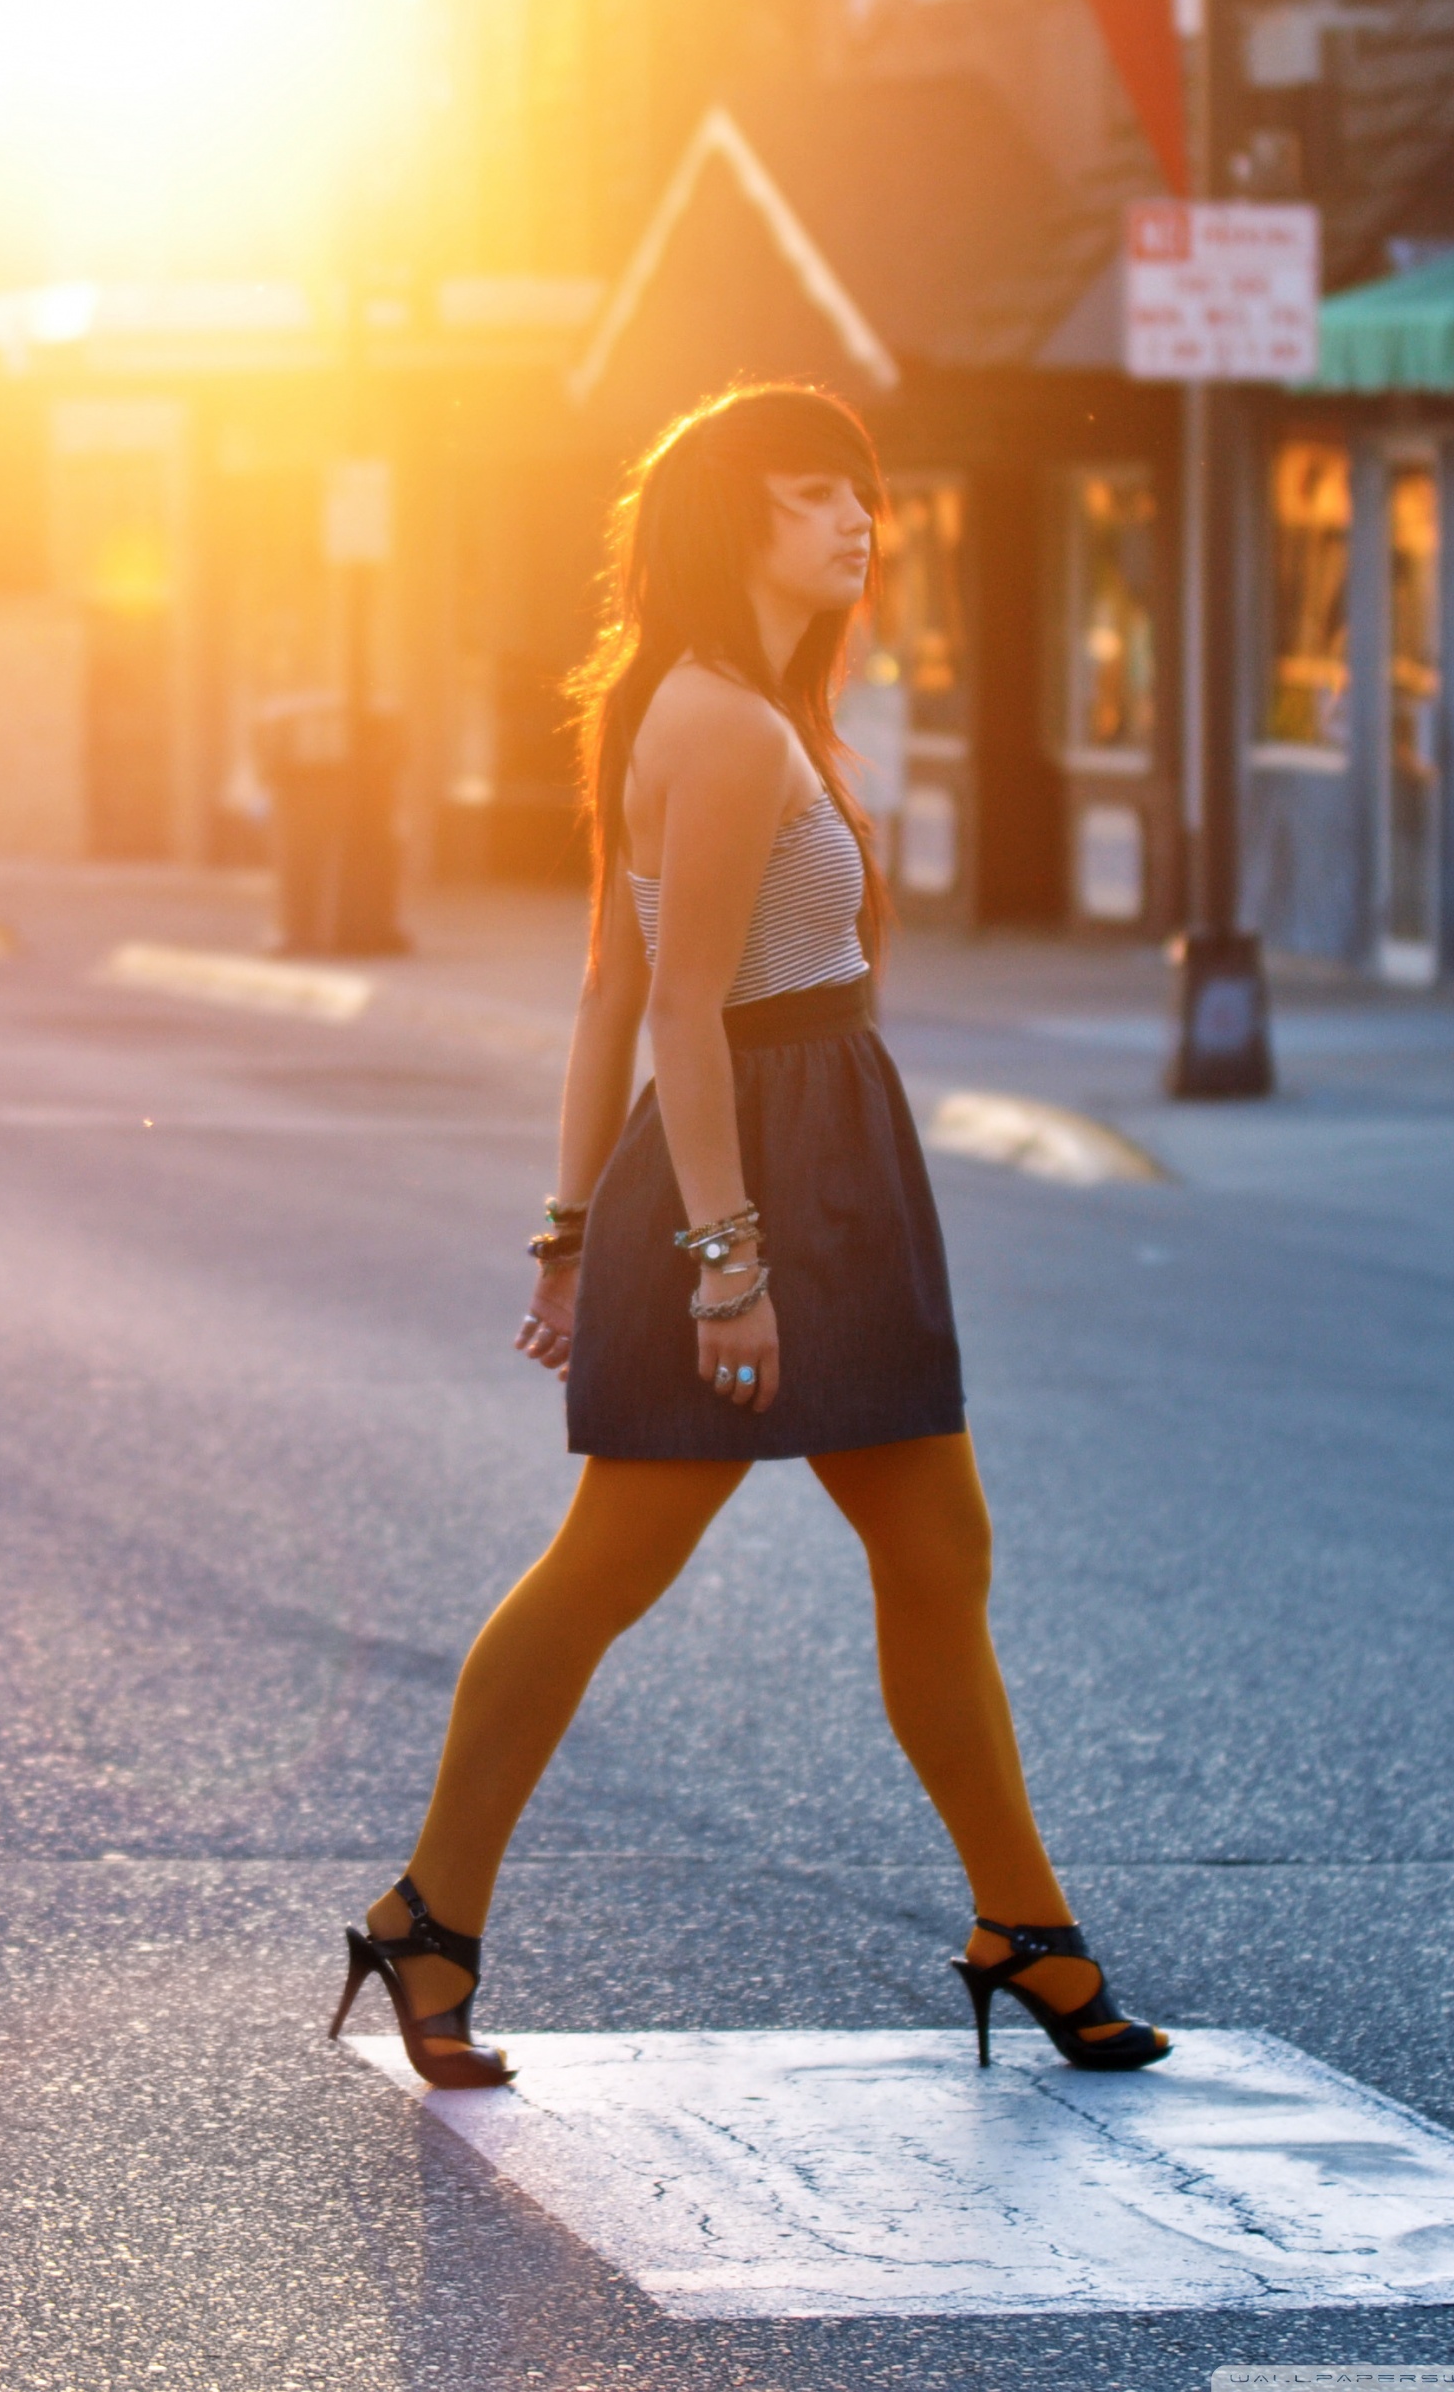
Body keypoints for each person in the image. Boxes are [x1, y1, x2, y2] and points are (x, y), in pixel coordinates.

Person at [330, 383, 1166, 2088]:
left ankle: (1027, 1928)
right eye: (811, 496)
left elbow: (608, 989)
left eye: (861, 494)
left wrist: (570, 1229)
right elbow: (675, 1017)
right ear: (735, 523)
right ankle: (429, 1915)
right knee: (605, 1573)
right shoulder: (717, 723)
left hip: (817, 1164)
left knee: (938, 1553)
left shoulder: (729, 704)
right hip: (763, 1175)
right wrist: (723, 1261)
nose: (857, 522)